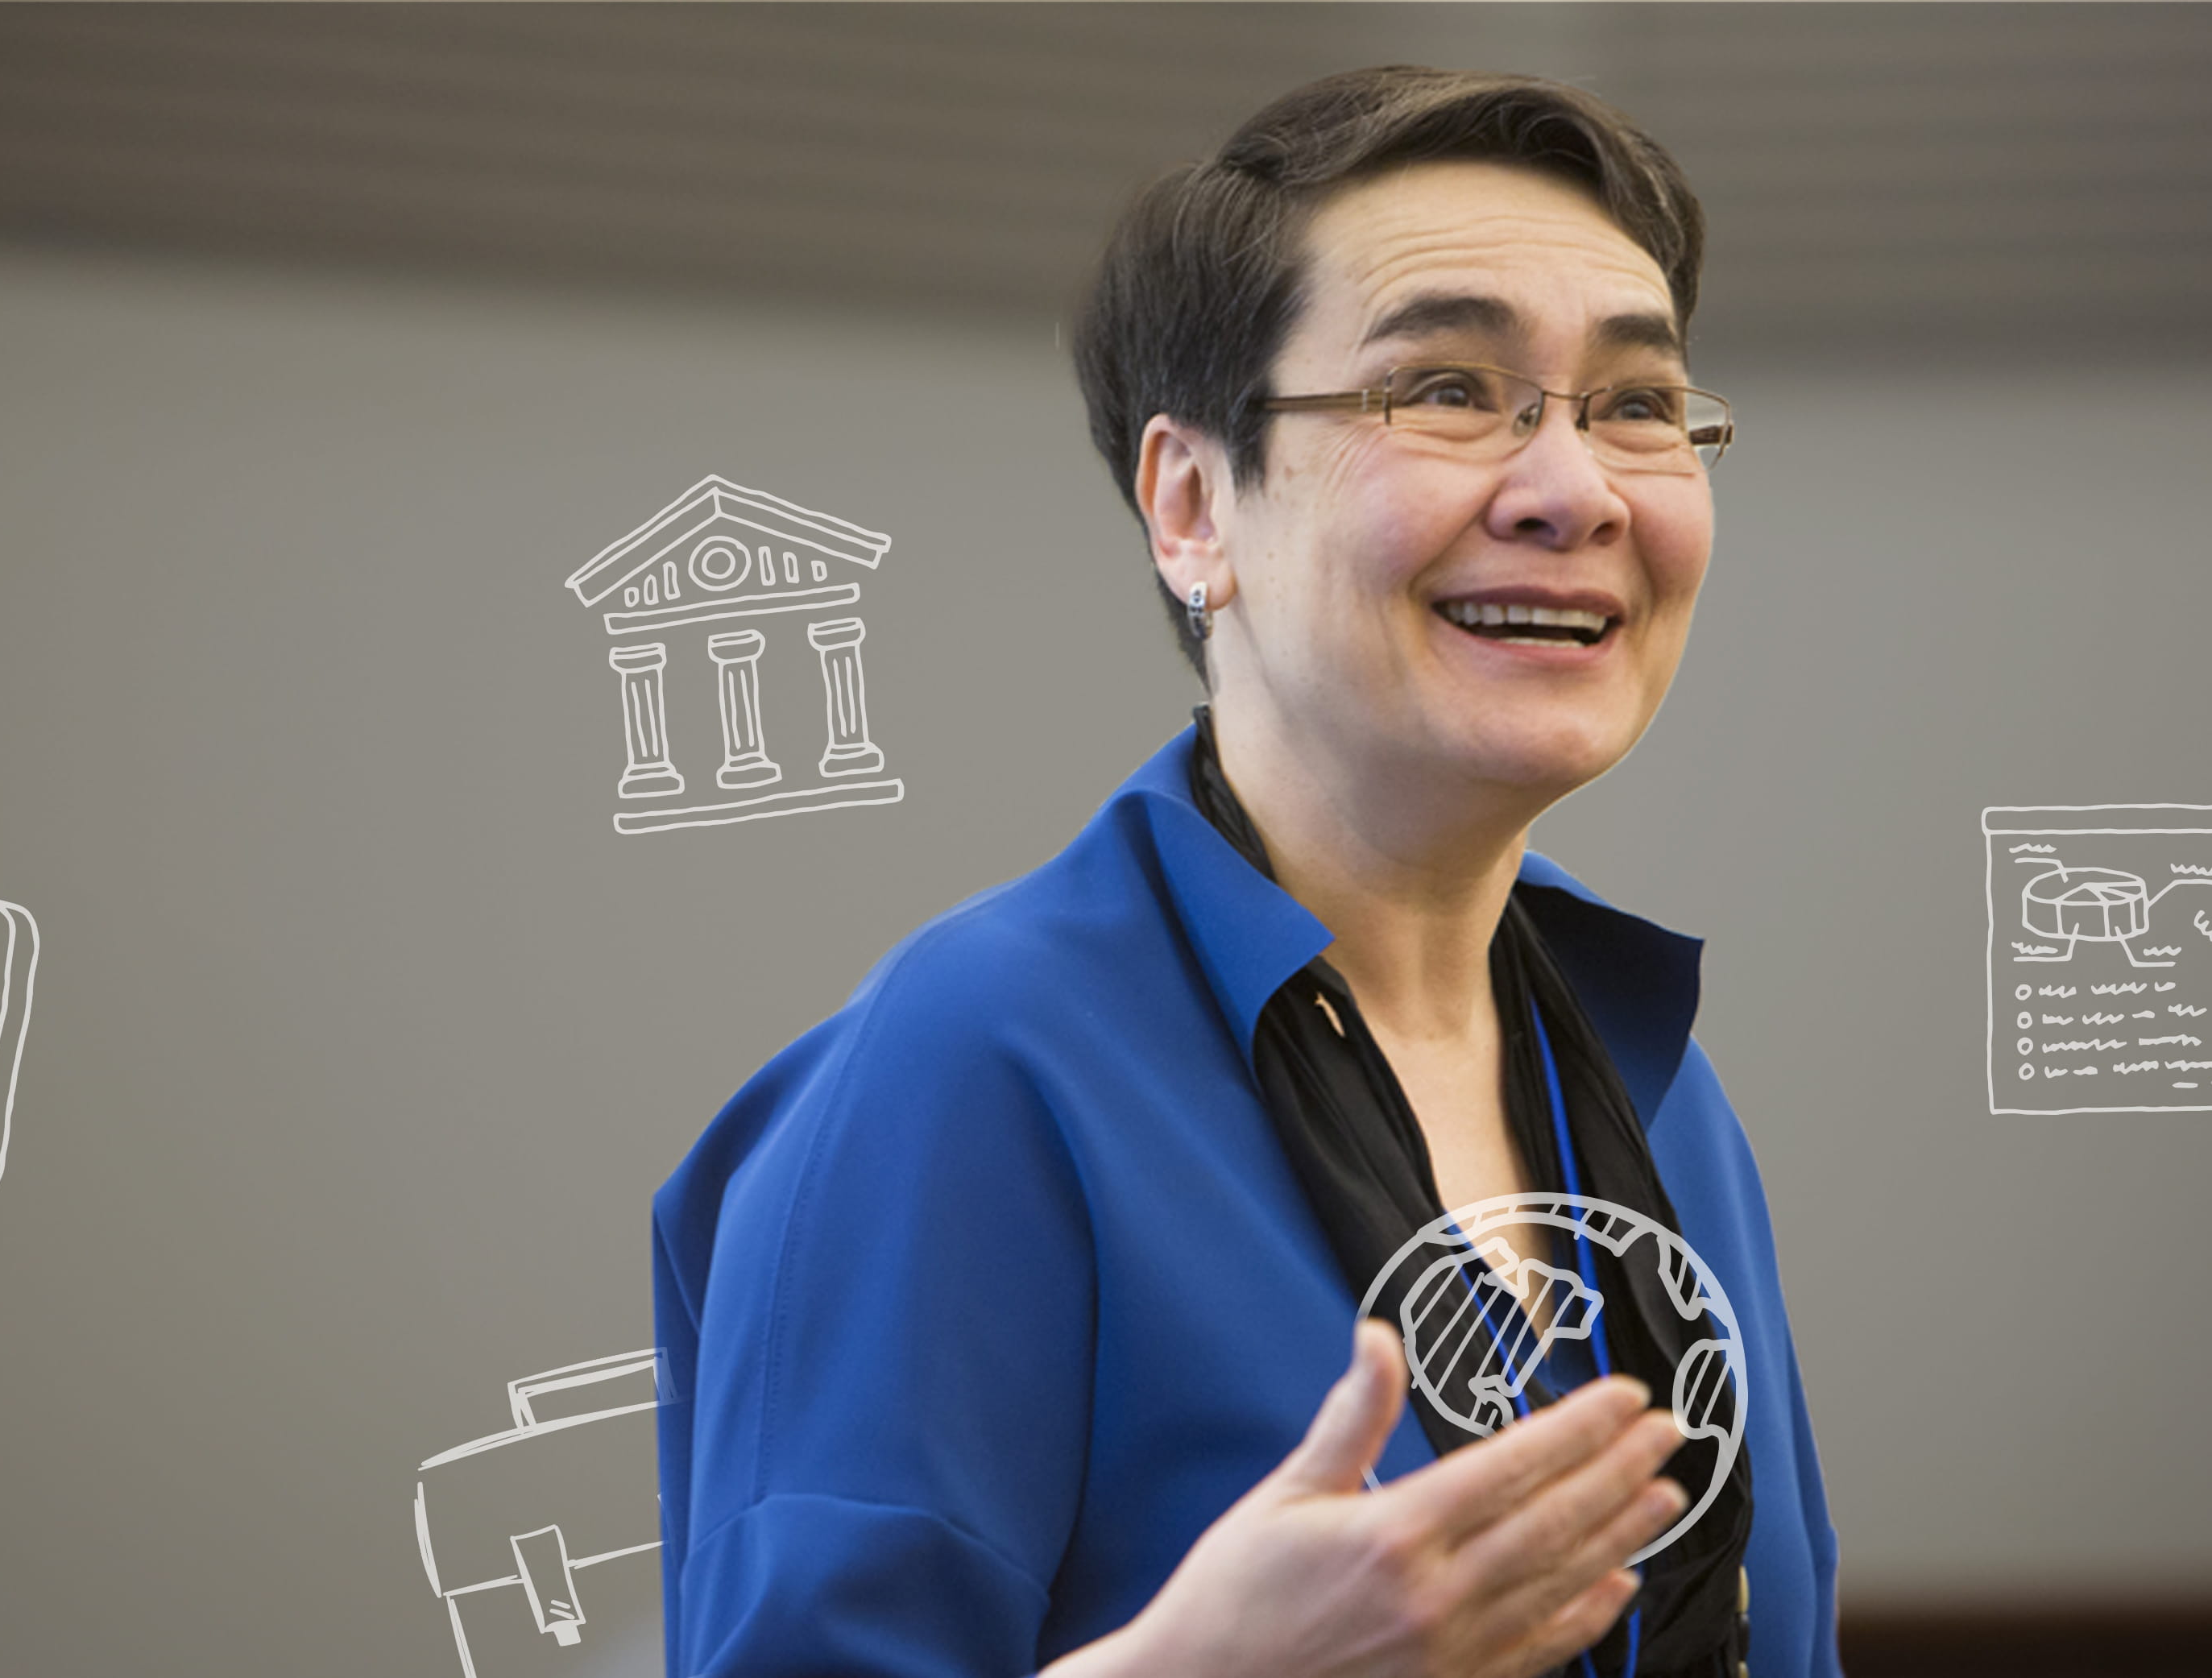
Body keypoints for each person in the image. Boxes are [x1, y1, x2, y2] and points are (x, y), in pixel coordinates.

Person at [652, 66, 1838, 1678]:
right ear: (1193, 502)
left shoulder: (1661, 1096)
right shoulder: (970, 1067)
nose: (1576, 491)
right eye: (1446, 389)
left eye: (1635, 404)